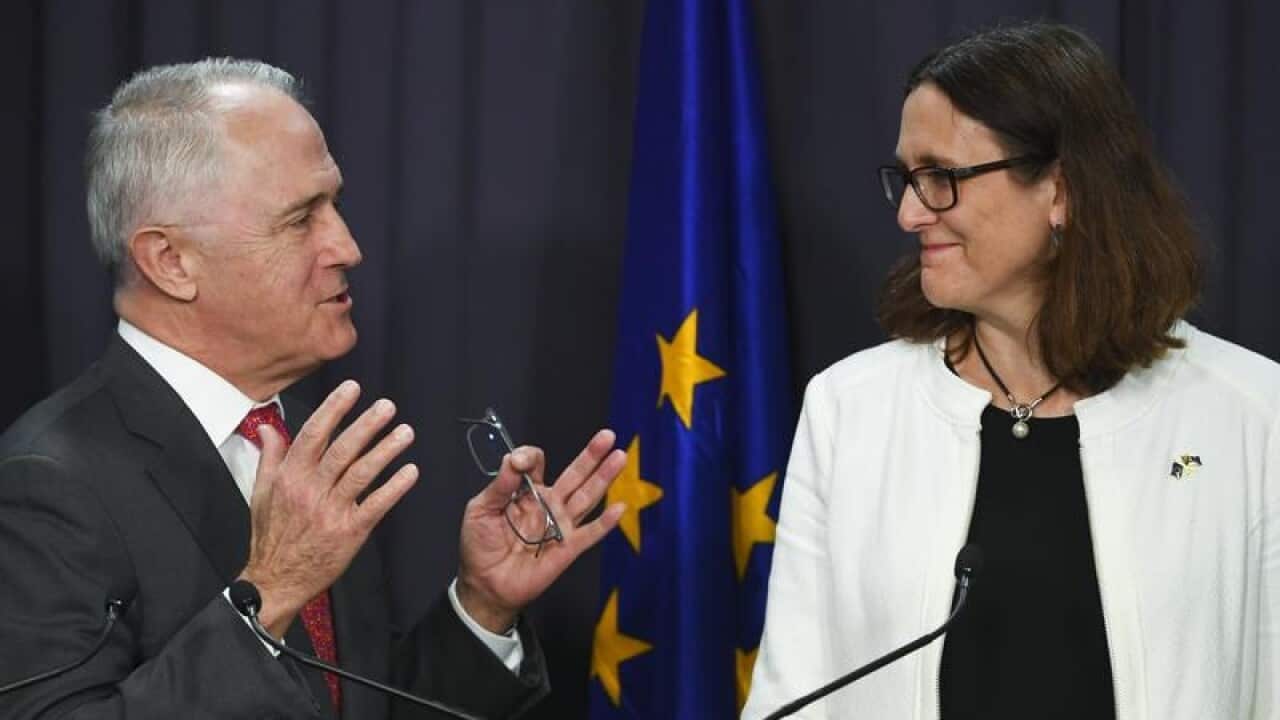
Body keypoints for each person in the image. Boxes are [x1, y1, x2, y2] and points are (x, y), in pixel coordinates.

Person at [0, 59, 626, 719]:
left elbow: (353, 705)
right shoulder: (45, 483)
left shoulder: (301, 439)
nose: (348, 246)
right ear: (171, 262)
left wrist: (483, 606)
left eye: (335, 205)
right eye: (301, 220)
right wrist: (268, 594)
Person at [742, 22, 1277, 720]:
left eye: (940, 178)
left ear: (1062, 191)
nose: (908, 212)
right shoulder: (849, 409)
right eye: (905, 178)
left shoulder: (1252, 413)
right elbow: (792, 698)